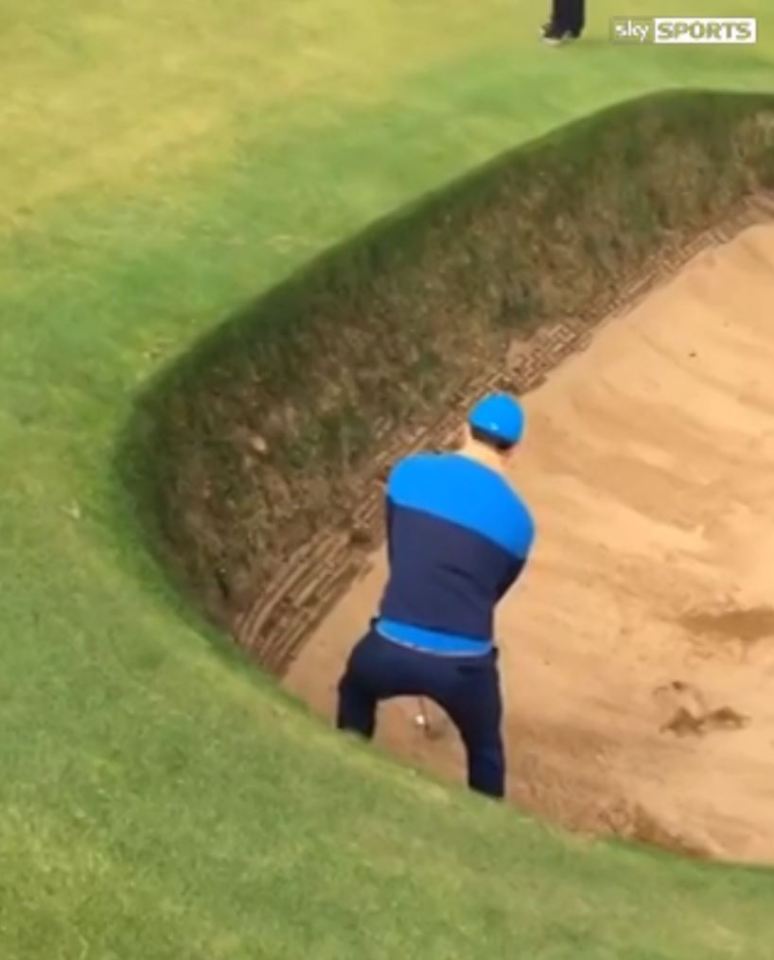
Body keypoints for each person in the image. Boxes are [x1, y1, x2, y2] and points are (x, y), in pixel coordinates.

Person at [336, 393, 535, 799]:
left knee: (355, 689)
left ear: (465, 429)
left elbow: (399, 549)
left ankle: (346, 773)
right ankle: (487, 827)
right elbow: (493, 590)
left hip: (389, 648)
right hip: (464, 670)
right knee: (486, 750)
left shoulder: (408, 474)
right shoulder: (520, 523)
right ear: (513, 450)